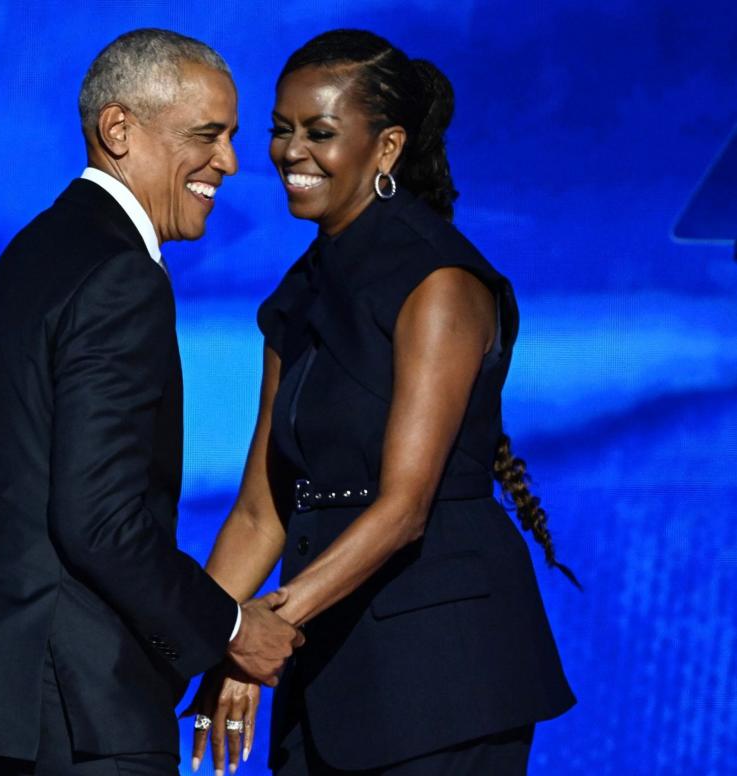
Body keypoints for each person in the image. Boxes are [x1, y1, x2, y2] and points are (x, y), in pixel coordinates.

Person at [0, 29, 304, 776]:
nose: (231, 163)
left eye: (233, 137)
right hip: (74, 716)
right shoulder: (121, 278)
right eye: (206, 135)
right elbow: (99, 522)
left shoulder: (17, 266)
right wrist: (231, 627)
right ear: (119, 130)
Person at [185, 29, 576, 776]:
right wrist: (191, 644)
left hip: (443, 681)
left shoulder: (437, 281)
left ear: (387, 147)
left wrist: (261, 629)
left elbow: (403, 509)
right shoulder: (294, 298)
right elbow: (259, 513)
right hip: (325, 665)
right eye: (280, 129)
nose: (289, 152)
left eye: (320, 133)